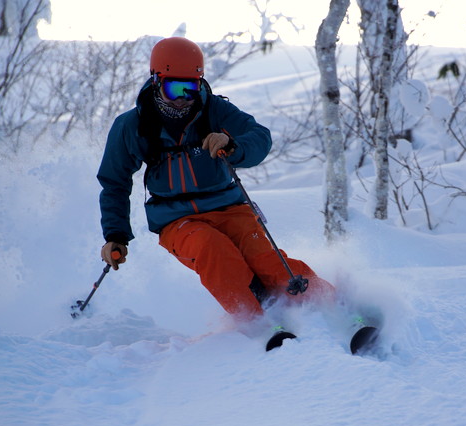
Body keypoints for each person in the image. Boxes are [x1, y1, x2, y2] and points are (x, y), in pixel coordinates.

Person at [97, 37, 333, 328]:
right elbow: (115, 182)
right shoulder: (133, 125)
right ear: (157, 81)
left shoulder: (215, 111)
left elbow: (260, 137)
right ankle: (257, 324)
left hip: (231, 208)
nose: (184, 98)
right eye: (175, 88)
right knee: (215, 251)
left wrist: (233, 145)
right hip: (177, 219)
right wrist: (115, 235)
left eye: (191, 87)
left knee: (268, 262)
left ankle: (333, 305)